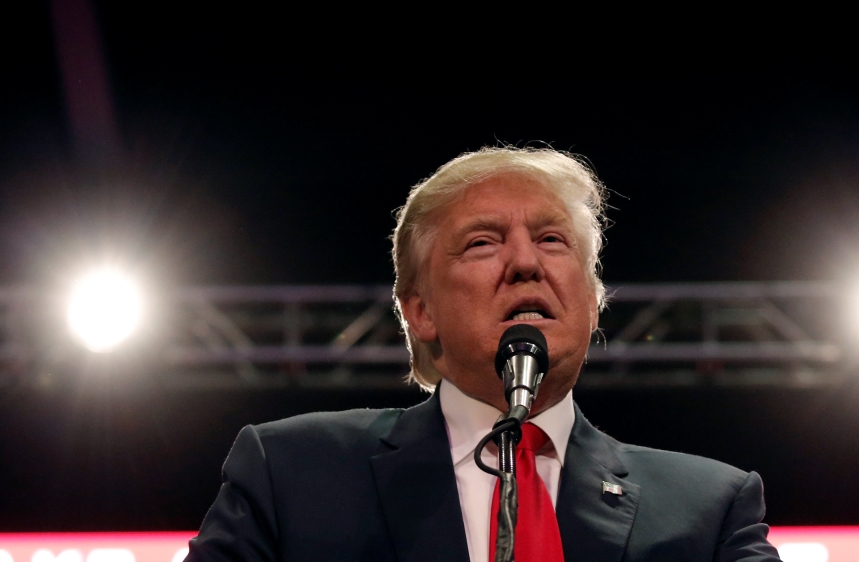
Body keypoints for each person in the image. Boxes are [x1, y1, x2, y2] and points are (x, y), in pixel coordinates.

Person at [186, 147, 781, 562]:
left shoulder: (708, 509)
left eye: (552, 239)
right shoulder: (291, 474)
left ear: (591, 302)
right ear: (419, 310)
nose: (526, 262)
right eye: (482, 243)